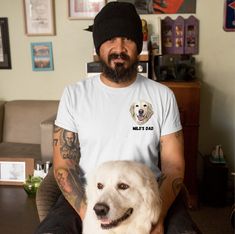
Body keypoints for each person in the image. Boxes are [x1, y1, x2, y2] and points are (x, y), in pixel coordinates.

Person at [35, 2, 201, 234]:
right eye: (110, 39)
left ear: (138, 45)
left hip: (145, 196)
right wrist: (90, 215)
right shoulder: (75, 95)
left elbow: (173, 165)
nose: (119, 48)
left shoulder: (162, 96)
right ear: (98, 46)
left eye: (128, 39)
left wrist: (157, 216)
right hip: (89, 196)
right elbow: (64, 165)